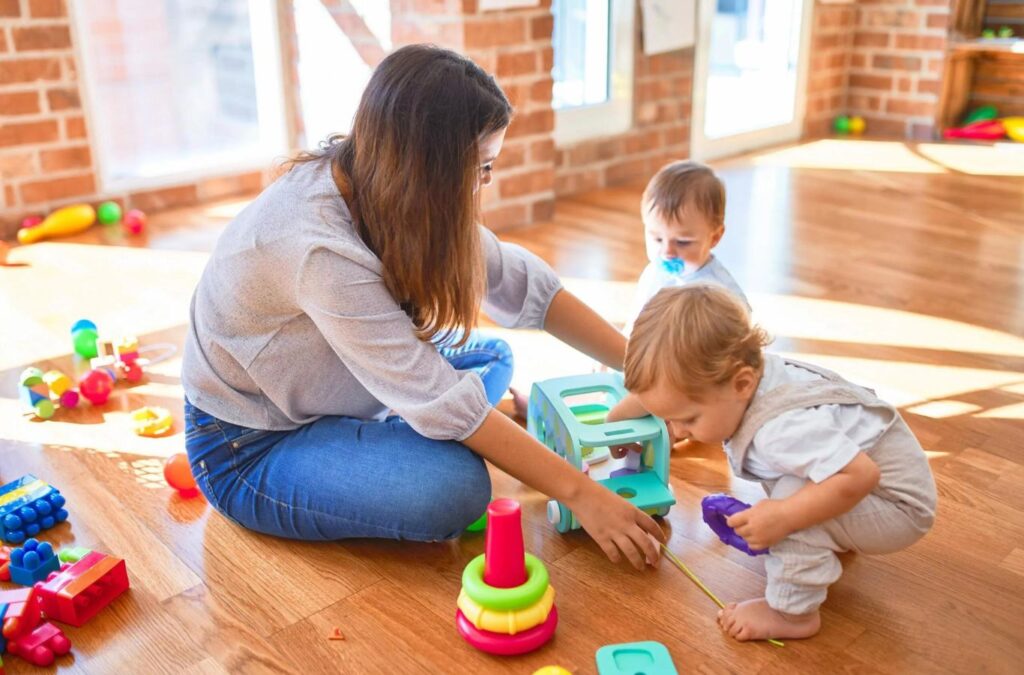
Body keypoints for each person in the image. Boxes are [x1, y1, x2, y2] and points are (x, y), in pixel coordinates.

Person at [181, 44, 663, 569]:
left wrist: (647, 371)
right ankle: (401, 426)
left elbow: (524, 286)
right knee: (454, 489)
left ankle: (399, 422)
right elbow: (441, 398)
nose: (486, 183)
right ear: (428, 168)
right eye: (481, 166)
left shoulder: (380, 181)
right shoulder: (317, 248)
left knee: (492, 358)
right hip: (250, 447)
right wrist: (583, 494)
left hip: (346, 385)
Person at [608, 285, 936, 639]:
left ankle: (792, 613)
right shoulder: (749, 375)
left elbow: (860, 475)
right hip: (869, 483)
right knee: (793, 493)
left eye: (688, 418)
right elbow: (667, 387)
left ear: (742, 384)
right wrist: (620, 418)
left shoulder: (779, 431)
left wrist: (784, 516)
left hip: (897, 507)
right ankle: (828, 535)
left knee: (788, 506)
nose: (676, 429)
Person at [623, 160, 747, 336]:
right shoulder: (653, 273)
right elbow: (635, 323)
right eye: (657, 239)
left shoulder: (720, 293)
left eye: (682, 242)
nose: (667, 253)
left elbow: (740, 340)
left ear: (715, 237)